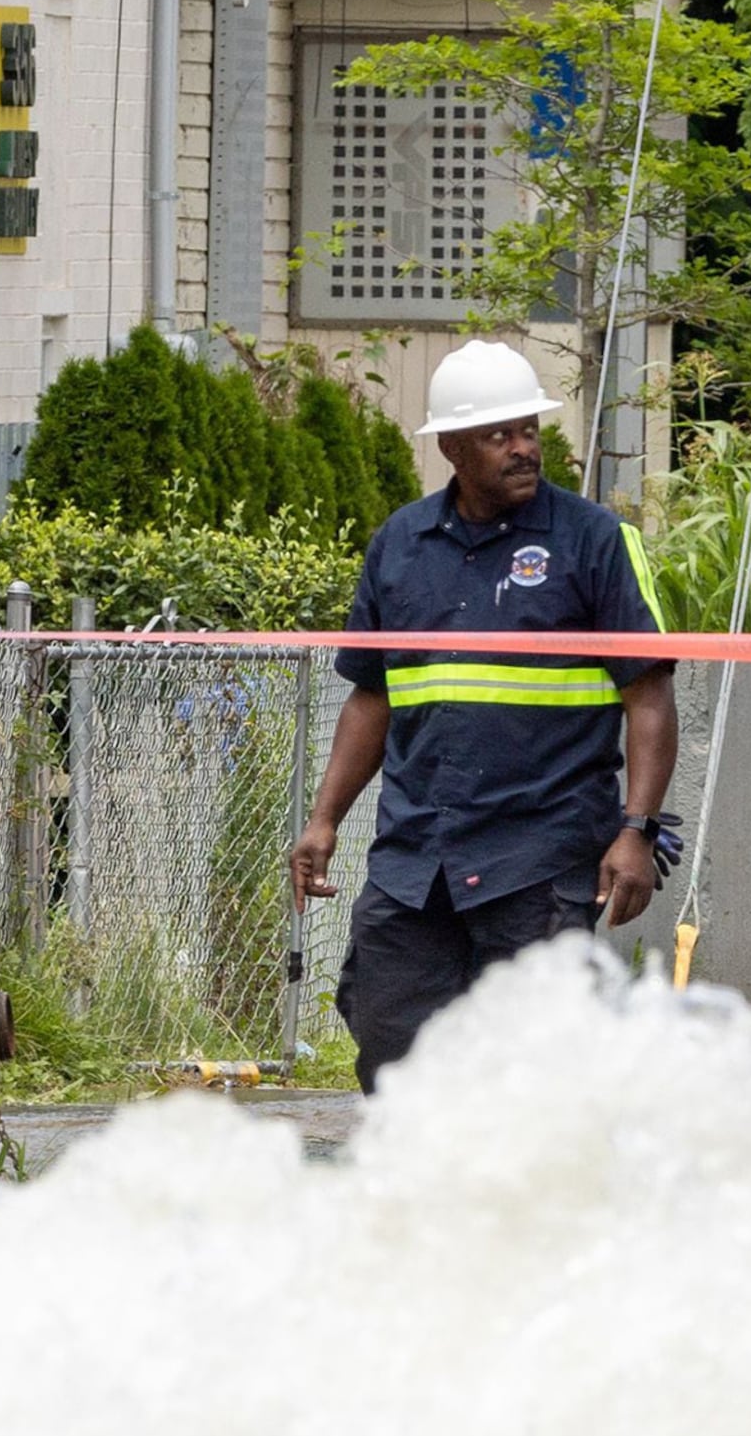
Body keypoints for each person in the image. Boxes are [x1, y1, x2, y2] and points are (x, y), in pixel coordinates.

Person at [290, 338, 679, 1090]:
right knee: (390, 1048)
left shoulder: (595, 541)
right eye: (500, 435)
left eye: (528, 429)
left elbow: (649, 695)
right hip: (416, 862)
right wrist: (324, 818)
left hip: (539, 860)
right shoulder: (399, 546)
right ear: (451, 445)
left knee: (534, 1077)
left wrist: (637, 830)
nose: (523, 447)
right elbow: (372, 694)